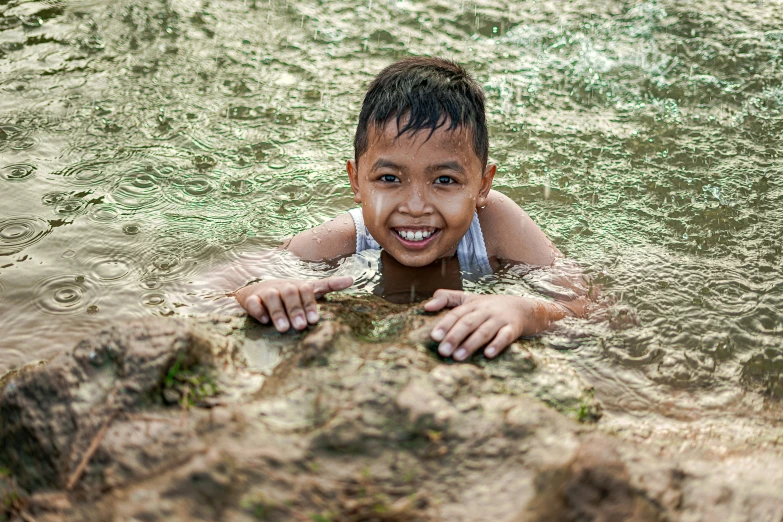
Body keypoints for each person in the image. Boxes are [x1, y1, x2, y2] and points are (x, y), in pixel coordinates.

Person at [234, 57, 587, 362]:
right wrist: (260, 293)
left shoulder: (495, 224)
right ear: (357, 182)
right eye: (389, 178)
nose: (416, 207)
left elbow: (586, 309)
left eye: (445, 180)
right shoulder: (344, 239)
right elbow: (214, 287)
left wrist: (524, 312)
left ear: (482, 185)